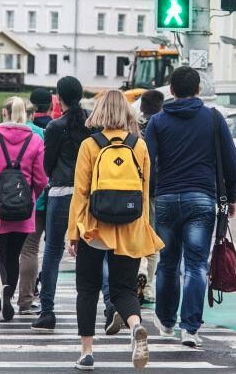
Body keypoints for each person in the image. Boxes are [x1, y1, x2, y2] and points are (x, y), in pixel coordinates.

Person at [68, 89, 163, 370]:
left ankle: (86, 352)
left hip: (94, 228)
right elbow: (144, 193)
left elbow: (80, 193)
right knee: (124, 289)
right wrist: (142, 226)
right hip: (130, 226)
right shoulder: (139, 146)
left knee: (87, 289)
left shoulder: (90, 145)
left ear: (99, 113)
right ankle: (135, 327)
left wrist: (72, 232)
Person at [144, 66, 236, 348]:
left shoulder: (158, 122)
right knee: (196, 266)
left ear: (171, 90)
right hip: (202, 199)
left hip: (166, 200)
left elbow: (147, 162)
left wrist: (153, 193)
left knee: (167, 264)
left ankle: (165, 321)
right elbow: (231, 161)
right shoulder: (213, 119)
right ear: (198, 89)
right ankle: (190, 328)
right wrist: (230, 197)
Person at [0, 97, 47, 322]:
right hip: (24, 210)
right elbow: (42, 179)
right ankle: (7, 297)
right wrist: (31, 195)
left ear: (4, 113)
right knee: (15, 255)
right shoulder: (35, 140)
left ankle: (2, 300)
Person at [32, 76, 91, 331]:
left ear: (59, 97)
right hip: (87, 195)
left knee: (53, 252)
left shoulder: (55, 127)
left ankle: (47, 312)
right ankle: (112, 304)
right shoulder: (91, 124)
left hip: (60, 193)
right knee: (95, 251)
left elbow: (47, 165)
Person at [17, 99, 46, 315]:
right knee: (30, 249)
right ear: (32, 113)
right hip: (35, 200)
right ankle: (26, 298)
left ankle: (3, 295)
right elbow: (43, 172)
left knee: (6, 251)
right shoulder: (39, 134)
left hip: (5, 200)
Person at [137, 90, 164, 304]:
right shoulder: (163, 125)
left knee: (133, 235)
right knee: (153, 239)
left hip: (132, 190)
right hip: (156, 190)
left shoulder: (132, 127)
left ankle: (137, 272)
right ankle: (148, 286)